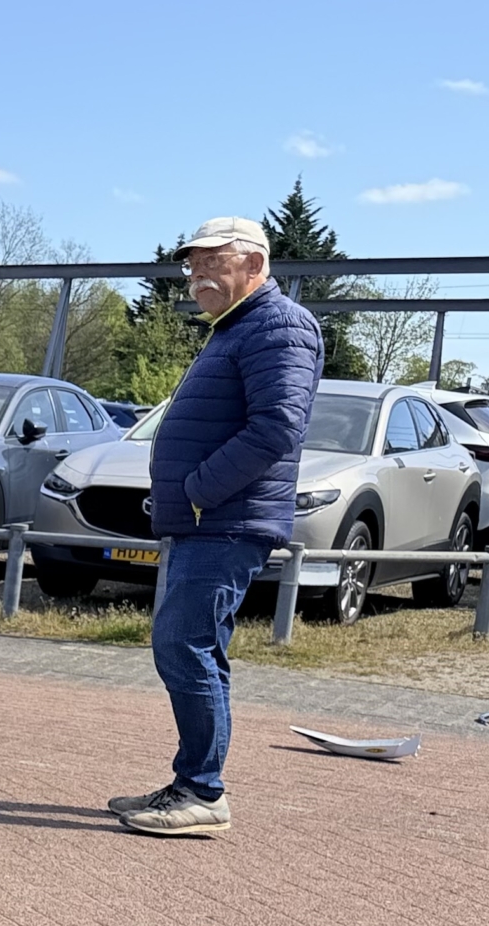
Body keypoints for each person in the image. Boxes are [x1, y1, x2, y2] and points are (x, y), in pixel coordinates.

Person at [111, 216, 322, 837]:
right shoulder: (237, 327)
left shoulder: (279, 325)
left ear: (254, 264)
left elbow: (277, 426)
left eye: (212, 262)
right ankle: (191, 783)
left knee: (184, 646)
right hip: (208, 520)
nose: (197, 275)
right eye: (191, 264)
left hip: (225, 521)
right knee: (191, 646)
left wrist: (199, 490)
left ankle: (202, 792)